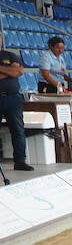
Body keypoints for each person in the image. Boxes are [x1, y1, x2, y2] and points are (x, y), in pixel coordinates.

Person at [0, 30, 30, 171]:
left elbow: (18, 72)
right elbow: (12, 72)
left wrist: (6, 70)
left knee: (18, 130)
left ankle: (20, 161)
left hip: (13, 97)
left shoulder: (10, 55)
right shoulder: (10, 60)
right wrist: (9, 70)